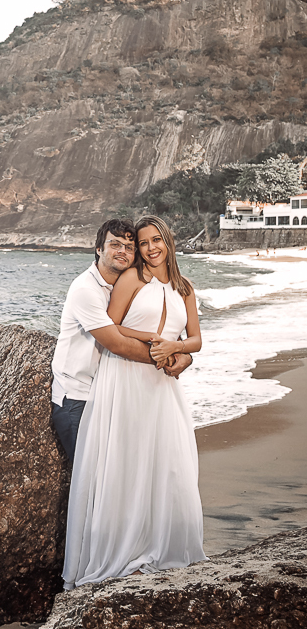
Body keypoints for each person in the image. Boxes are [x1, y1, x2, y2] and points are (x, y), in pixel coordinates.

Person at [62, 215, 206, 588]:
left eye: (154, 240)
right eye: (142, 243)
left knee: (167, 465)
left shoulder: (185, 287)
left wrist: (178, 352)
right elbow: (115, 330)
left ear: (168, 242)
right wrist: (157, 345)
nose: (149, 248)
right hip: (124, 380)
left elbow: (195, 340)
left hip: (162, 387)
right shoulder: (131, 279)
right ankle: (124, 554)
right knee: (124, 468)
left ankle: (160, 545)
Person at [51, 218, 193, 463]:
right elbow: (116, 343)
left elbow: (166, 331)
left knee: (117, 473)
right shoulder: (86, 289)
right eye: (115, 245)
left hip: (112, 393)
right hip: (78, 396)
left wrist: (184, 353)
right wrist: (165, 357)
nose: (123, 252)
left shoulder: (127, 284)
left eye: (129, 247)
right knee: (91, 479)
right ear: (99, 249)